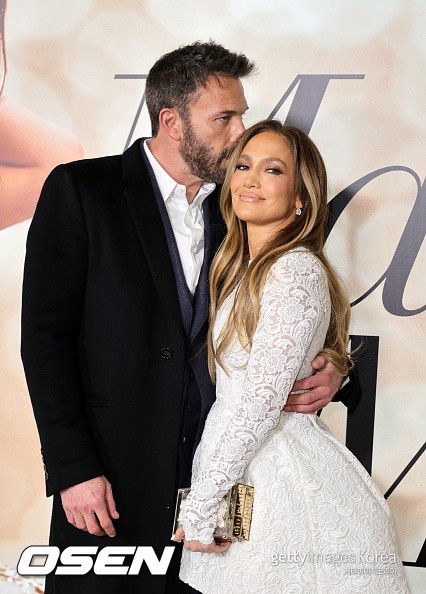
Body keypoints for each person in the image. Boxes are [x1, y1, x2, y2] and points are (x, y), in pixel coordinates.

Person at [21, 42, 359, 594]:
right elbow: (44, 340)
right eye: (225, 118)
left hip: (222, 491)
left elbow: (292, 323)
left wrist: (337, 373)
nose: (241, 133)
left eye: (243, 115)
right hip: (110, 482)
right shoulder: (83, 191)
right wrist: (72, 468)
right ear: (172, 122)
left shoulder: (244, 206)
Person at [174, 120, 409, 593]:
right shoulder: (242, 266)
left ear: (300, 196)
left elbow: (259, 400)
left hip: (274, 480)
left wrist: (202, 503)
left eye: (272, 169)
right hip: (238, 469)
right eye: (243, 166)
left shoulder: (294, 270)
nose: (250, 180)